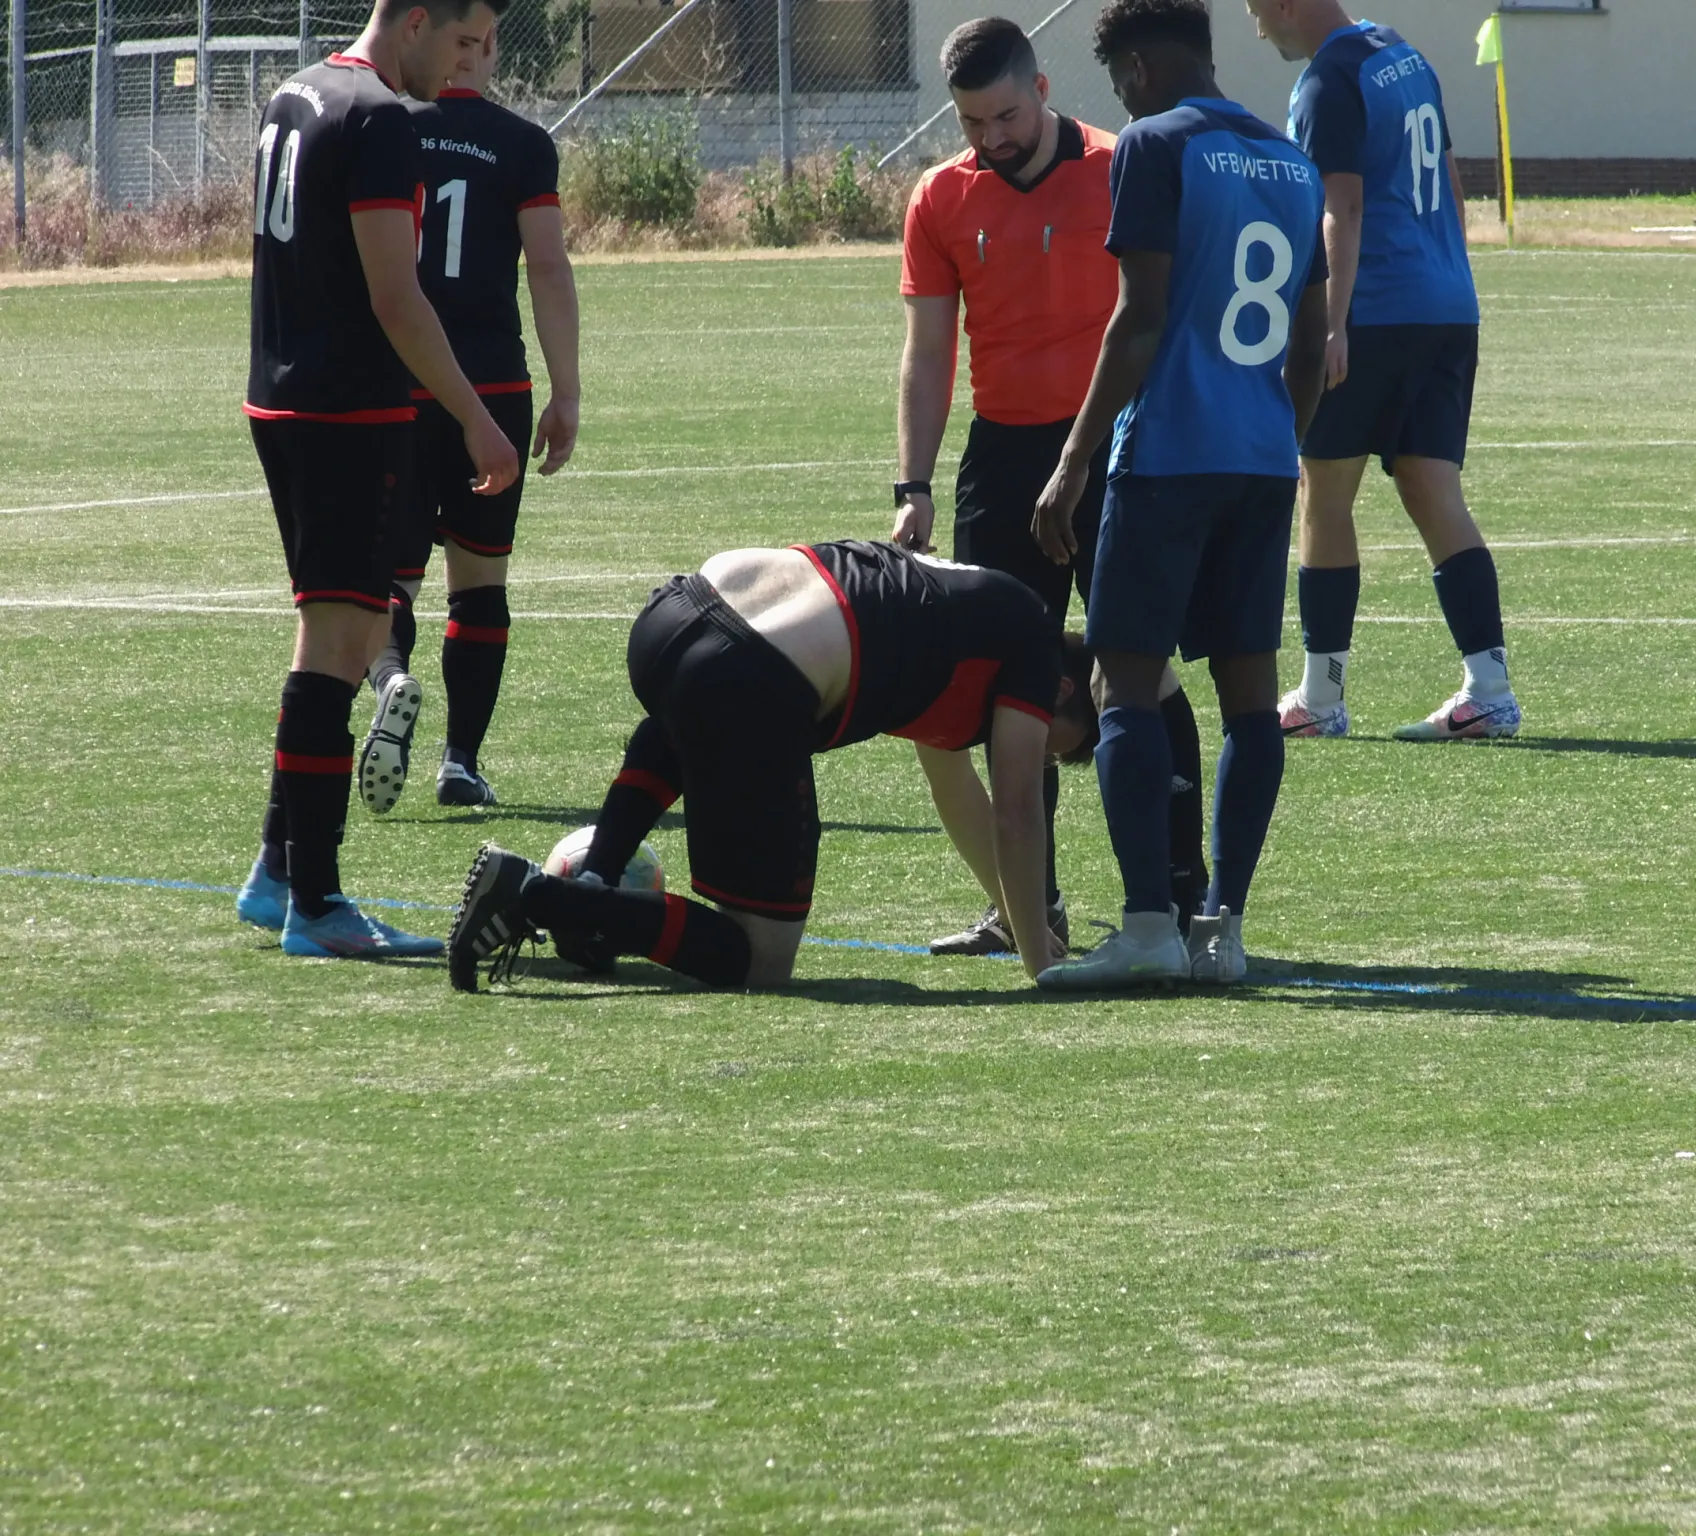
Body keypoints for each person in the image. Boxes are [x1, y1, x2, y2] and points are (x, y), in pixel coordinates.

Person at [895, 15, 1212, 956]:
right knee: (1001, 682)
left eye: (1004, 115)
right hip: (1002, 462)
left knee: (1137, 668)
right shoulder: (939, 197)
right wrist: (913, 481)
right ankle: (1031, 910)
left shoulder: (1122, 166)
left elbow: (1172, 315)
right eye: (971, 122)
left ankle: (1182, 900)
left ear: (1040, 88)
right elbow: (927, 354)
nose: (990, 137)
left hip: (1120, 452)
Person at [447, 540, 1100, 992]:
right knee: (760, 959)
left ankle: (595, 879)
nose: (1041, 754)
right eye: (1058, 745)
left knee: (690, 719)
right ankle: (539, 895)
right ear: (1065, 691)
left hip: (673, 614)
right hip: (746, 674)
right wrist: (1043, 966)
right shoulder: (1035, 648)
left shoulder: (970, 612)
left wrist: (1020, 923)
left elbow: (958, 794)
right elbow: (1016, 813)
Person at [1031, 0, 1327, 988]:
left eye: (1119, 84)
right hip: (1260, 459)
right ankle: (1223, 930)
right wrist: (1278, 442)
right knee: (1249, 701)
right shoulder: (1291, 160)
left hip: (1165, 455)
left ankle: (1148, 926)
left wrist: (1072, 460)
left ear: (1141, 72)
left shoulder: (1154, 145)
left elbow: (1138, 320)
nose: (1121, 101)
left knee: (1122, 687)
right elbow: (1311, 343)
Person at [233, 0, 519, 958]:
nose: (465, 63)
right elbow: (398, 298)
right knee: (341, 644)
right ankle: (316, 904)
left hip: (282, 397)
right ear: (415, 21)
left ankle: (277, 873)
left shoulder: (297, 91)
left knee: (340, 634)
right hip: (345, 413)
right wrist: (476, 419)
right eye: (461, 41)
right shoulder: (382, 118)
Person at [1246, 0, 1519, 741]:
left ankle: (1320, 698)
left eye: (1256, 10)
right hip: (1445, 305)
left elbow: (1342, 205)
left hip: (1375, 312)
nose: (1257, 28)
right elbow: (1451, 179)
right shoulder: (1400, 51)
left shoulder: (1328, 79)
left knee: (1323, 494)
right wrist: (1449, 273)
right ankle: (1490, 691)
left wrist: (1330, 324)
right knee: (1434, 491)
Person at [359, 20, 581, 814]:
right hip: (493, 391)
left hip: (399, 385)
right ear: (486, 48)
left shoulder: (384, 126)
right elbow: (547, 265)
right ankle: (460, 762)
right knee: (480, 580)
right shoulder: (523, 144)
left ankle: (392, 679)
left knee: (389, 576)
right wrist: (566, 391)